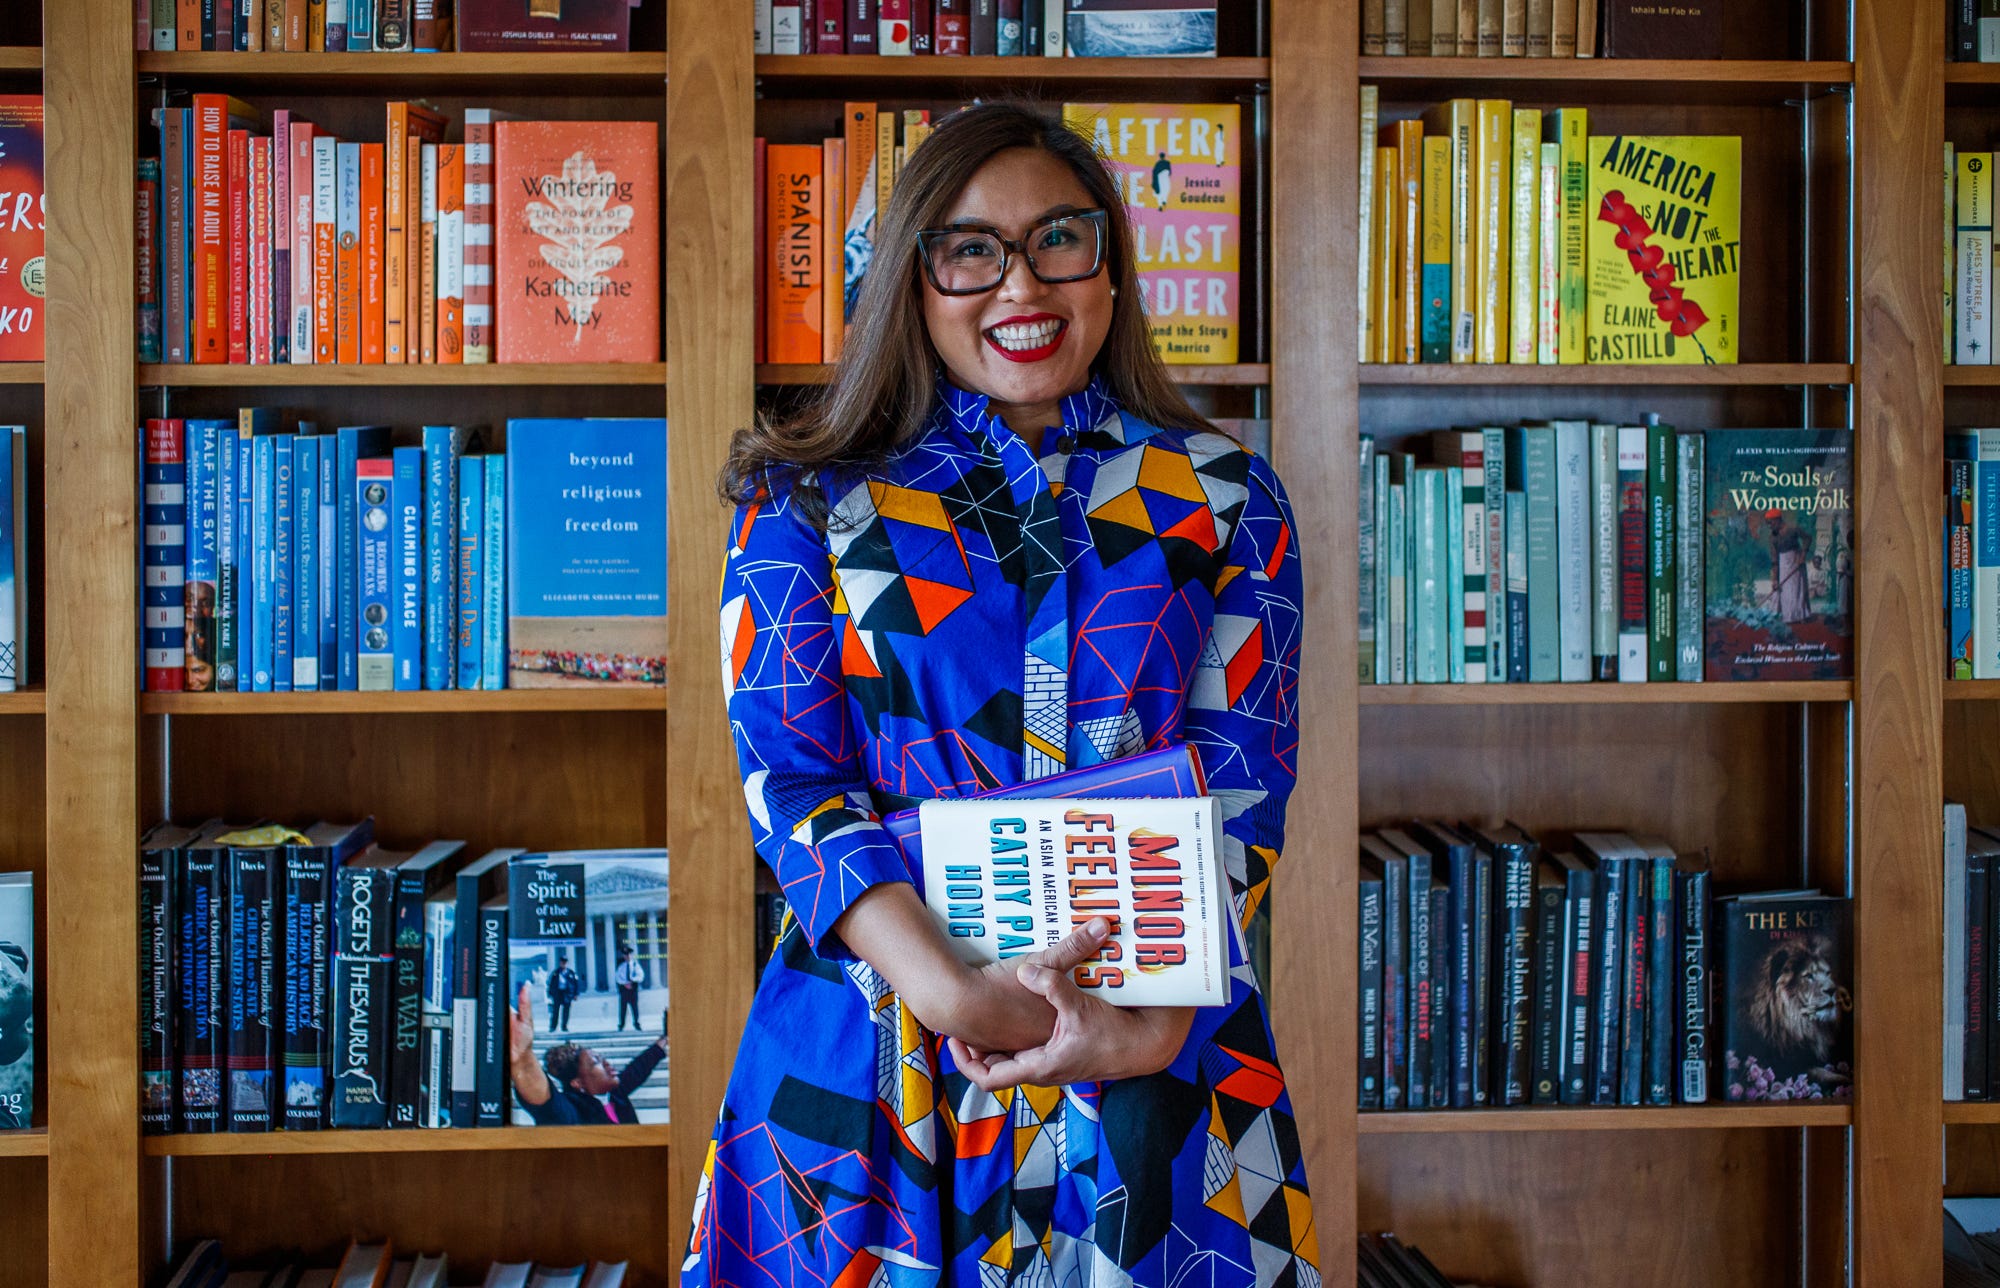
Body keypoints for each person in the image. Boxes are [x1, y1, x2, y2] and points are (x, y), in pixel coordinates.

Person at [690, 103, 1312, 1288]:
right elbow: (791, 781)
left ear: (1111, 271)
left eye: (1057, 240)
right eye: (969, 248)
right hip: (874, 1058)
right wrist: (955, 991)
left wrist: (1146, 1033)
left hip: (1156, 1059)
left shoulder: (1228, 497)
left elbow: (1242, 786)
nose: (1017, 283)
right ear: (913, 282)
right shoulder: (808, 503)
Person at [507, 984, 664, 1126]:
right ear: (577, 1083)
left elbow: (638, 1069)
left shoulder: (615, 1094)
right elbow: (548, 1105)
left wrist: (665, 1038)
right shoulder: (573, 1110)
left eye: (602, 1059)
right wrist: (523, 1059)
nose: (607, 1063)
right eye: (597, 1062)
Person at [545, 951, 580, 1034]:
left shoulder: (571, 973)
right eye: (562, 962)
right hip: (557, 993)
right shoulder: (555, 973)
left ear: (567, 963)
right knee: (555, 1011)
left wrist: (576, 994)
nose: (563, 963)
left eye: (565, 962)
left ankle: (564, 1026)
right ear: (560, 962)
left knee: (566, 1011)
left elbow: (576, 984)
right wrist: (550, 994)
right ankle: (553, 1027)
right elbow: (551, 983)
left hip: (567, 994)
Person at [613, 945, 644, 1031]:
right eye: (626, 955)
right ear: (623, 956)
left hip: (633, 989)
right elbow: (617, 977)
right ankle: (621, 1024)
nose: (627, 956)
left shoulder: (635, 965)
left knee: (635, 1007)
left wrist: (632, 981)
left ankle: (637, 1023)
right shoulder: (621, 966)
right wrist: (625, 984)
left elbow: (640, 976)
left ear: (631, 955)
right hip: (624, 989)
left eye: (629, 954)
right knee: (623, 1008)